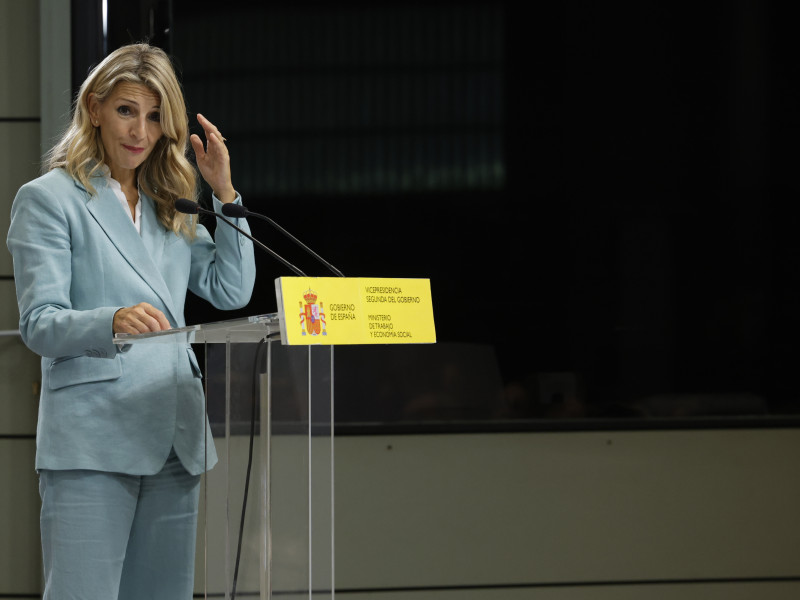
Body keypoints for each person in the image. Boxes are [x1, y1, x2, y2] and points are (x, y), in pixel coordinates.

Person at [6, 43, 256, 599]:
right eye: (125, 110)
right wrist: (110, 320)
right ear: (94, 108)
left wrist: (223, 193)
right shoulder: (49, 200)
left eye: (152, 116)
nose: (139, 131)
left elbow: (229, 289)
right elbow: (40, 323)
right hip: (94, 438)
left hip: (174, 435)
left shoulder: (171, 201)